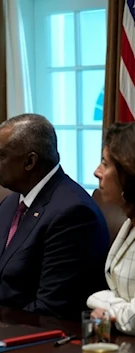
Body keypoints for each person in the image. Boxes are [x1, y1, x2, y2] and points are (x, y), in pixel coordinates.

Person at [0, 114, 109, 319]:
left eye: (1, 155)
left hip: (33, 338)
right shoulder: (9, 204)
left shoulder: (73, 213)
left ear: (29, 161)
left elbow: (51, 308)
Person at [87, 123, 135, 335]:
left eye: (105, 164)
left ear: (128, 174)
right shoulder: (129, 222)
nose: (97, 172)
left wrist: (103, 304)